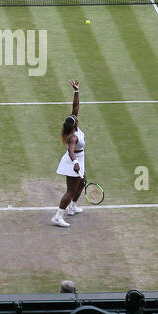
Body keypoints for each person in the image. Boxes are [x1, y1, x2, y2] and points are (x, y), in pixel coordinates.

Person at [51, 79, 85, 228]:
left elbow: (75, 107)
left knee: (82, 182)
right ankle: (58, 217)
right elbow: (71, 151)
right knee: (70, 191)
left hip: (79, 159)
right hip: (73, 162)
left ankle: (72, 207)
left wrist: (76, 91)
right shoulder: (73, 137)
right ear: (74, 125)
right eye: (75, 119)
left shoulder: (73, 126)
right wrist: (76, 164)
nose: (76, 117)